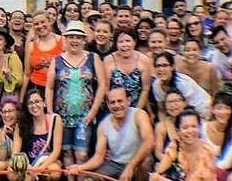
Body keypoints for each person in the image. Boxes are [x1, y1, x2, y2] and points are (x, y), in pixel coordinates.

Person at [45, 21, 106, 170]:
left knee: (82, 154)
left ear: (84, 40)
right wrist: (51, 112)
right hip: (62, 117)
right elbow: (50, 87)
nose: (75, 41)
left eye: (78, 37)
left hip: (85, 116)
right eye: (71, 37)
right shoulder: (57, 60)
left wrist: (93, 112)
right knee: (66, 152)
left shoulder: (93, 58)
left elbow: (103, 85)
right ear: (66, 39)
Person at [70, 87, 154, 181]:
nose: (116, 105)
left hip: (139, 163)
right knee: (89, 179)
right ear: (108, 105)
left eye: (120, 101)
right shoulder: (103, 125)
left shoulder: (139, 115)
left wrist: (130, 167)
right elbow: (98, 157)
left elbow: (149, 142)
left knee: (145, 164)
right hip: (116, 164)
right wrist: (80, 167)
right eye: (112, 102)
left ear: (128, 101)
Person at [8, 90, 63, 180]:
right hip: (27, 163)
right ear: (27, 106)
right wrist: (26, 166)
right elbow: (15, 153)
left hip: (47, 161)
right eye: (30, 103)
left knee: (54, 170)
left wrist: (40, 168)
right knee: (11, 172)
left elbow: (56, 151)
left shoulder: (55, 119)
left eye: (37, 101)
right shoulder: (21, 124)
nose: (34, 105)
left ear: (44, 103)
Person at [152, 109, 217, 181]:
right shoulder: (174, 147)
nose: (190, 131)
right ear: (178, 131)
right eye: (185, 127)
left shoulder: (208, 150)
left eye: (194, 126)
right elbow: (158, 174)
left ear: (199, 128)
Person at [151, 51, 210, 118]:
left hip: (202, 110)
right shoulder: (156, 85)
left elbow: (188, 110)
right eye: (158, 66)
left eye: (165, 65)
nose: (161, 69)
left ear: (172, 67)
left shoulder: (183, 83)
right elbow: (161, 110)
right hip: (179, 114)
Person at [103, 29, 151, 109]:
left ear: (134, 42)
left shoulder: (144, 60)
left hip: (137, 106)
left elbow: (145, 89)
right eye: (121, 42)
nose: (124, 44)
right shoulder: (108, 60)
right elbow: (106, 88)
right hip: (114, 106)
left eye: (128, 41)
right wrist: (114, 108)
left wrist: (136, 112)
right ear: (116, 44)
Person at [20, 10, 63, 99]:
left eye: (43, 22)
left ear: (50, 22)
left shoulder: (62, 41)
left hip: (58, 88)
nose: (40, 26)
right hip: (36, 88)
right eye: (36, 24)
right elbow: (27, 74)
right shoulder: (31, 46)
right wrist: (21, 98)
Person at [203, 92, 232, 180]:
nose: (223, 112)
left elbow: (227, 163)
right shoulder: (203, 128)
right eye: (219, 108)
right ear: (212, 110)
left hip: (228, 171)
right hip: (206, 170)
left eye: (227, 108)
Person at [0, 27, 23, 102]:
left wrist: (8, 75)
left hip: (9, 101)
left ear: (5, 42)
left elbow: (19, 82)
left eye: (0, 39)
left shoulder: (12, 57)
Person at [154, 89, 187, 161]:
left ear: (185, 103)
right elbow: (158, 153)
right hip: (169, 163)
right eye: (169, 102)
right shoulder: (161, 126)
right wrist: (169, 162)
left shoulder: (192, 122)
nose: (173, 105)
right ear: (165, 106)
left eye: (177, 101)